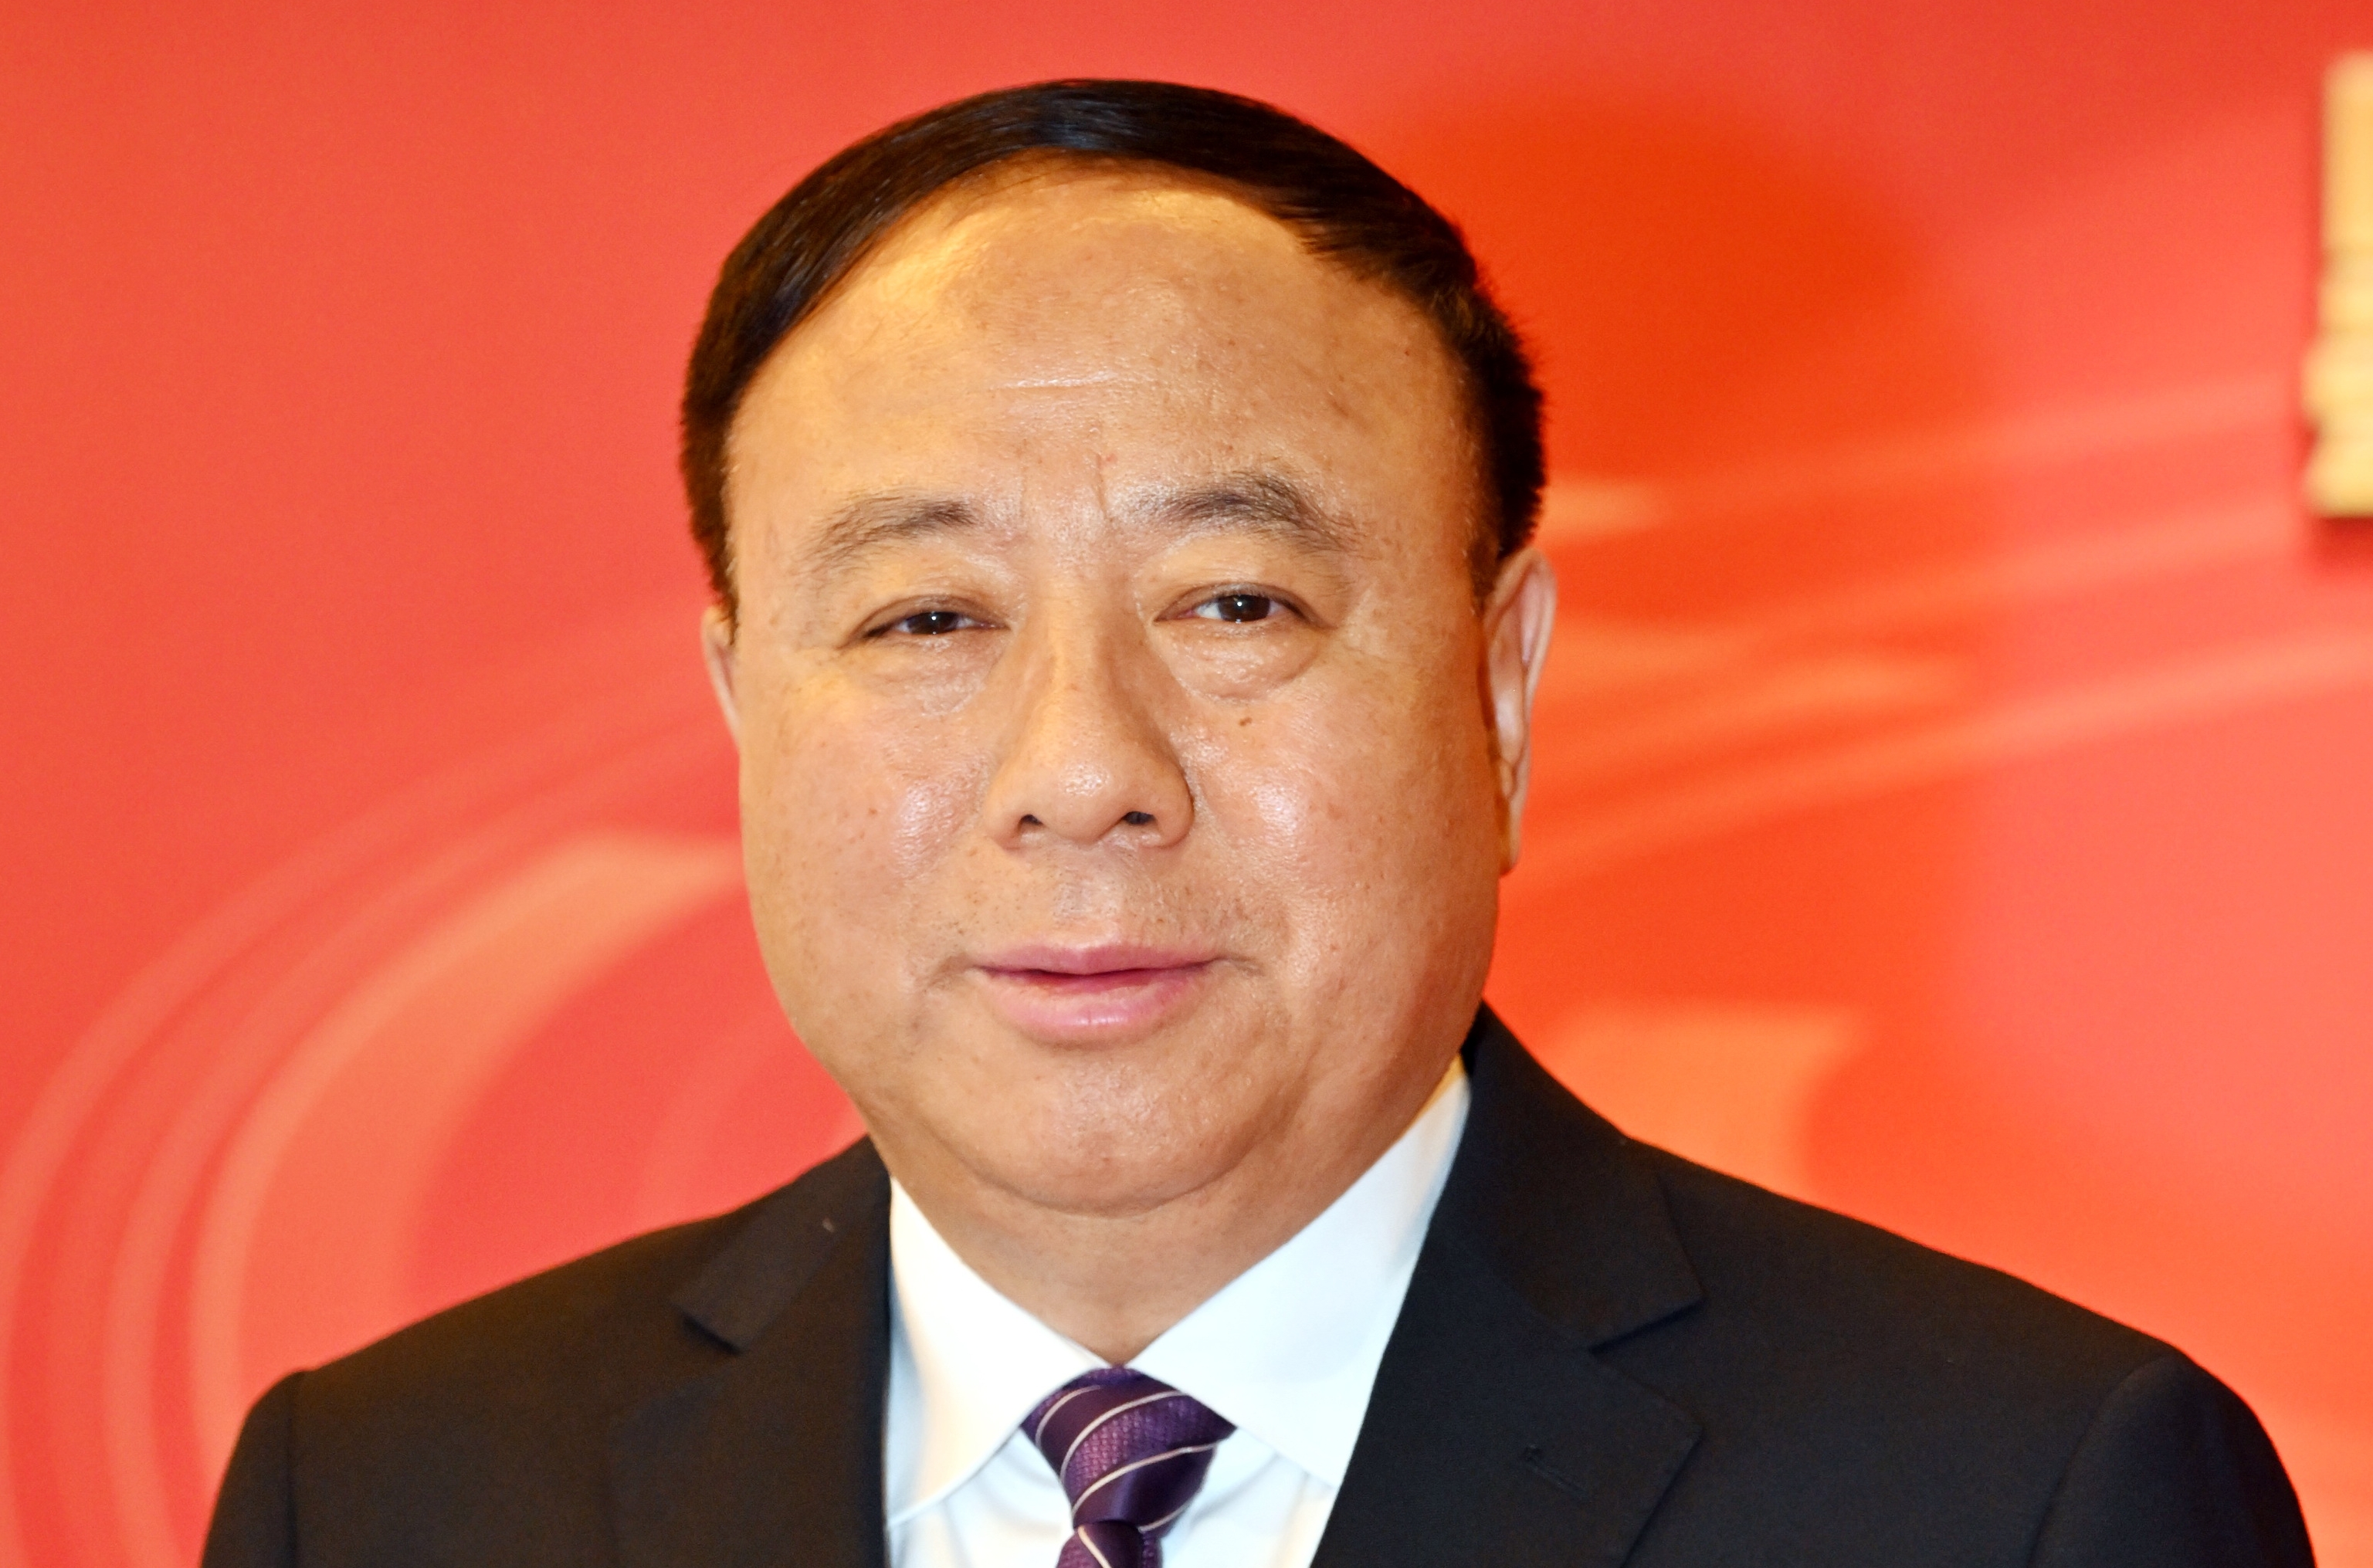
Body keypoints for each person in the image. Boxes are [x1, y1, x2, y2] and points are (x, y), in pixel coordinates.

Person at [202, 80, 2313, 1568]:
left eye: (1236, 605)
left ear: (1499, 687)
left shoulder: (2021, 1498)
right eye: (928, 617)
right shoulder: (388, 1498)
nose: (1082, 768)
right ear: (744, 702)